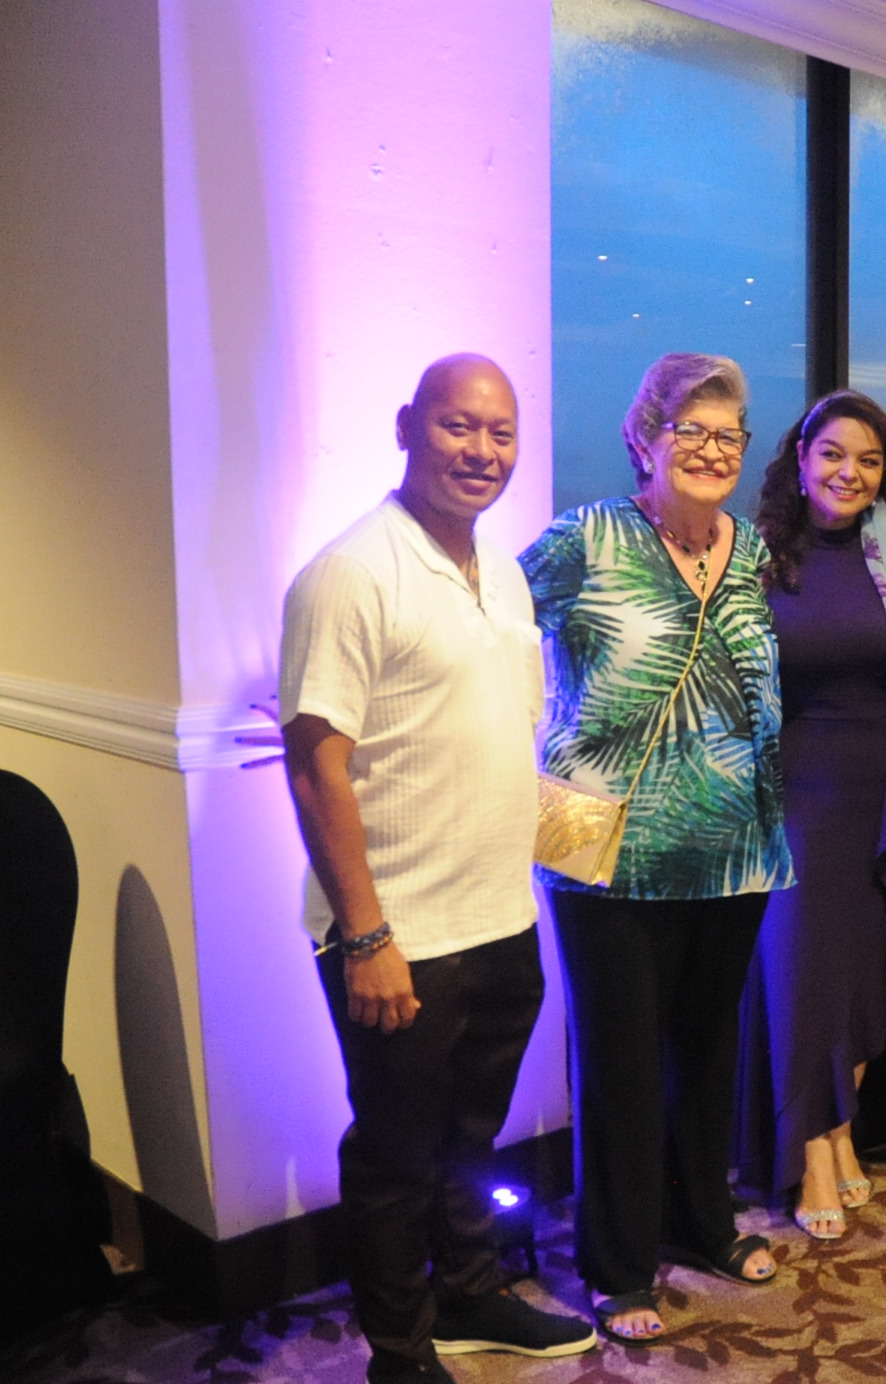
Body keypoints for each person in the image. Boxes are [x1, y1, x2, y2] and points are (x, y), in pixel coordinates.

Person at [281, 355, 597, 1382]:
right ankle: (400, 1351)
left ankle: (469, 1294)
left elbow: (504, 732)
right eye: (460, 427)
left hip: (501, 918)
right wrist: (366, 935)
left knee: (472, 1134)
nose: (482, 451)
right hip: (399, 935)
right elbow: (315, 756)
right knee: (394, 1154)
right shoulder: (351, 572)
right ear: (409, 426)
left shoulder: (500, 570)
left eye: (500, 433)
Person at [521, 352, 791, 1345]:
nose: (714, 449)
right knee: (623, 1059)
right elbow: (490, 635)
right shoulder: (583, 539)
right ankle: (619, 1261)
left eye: (731, 434)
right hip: (606, 848)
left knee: (709, 1044)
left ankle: (701, 1220)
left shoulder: (750, 550)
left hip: (735, 842)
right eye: (694, 430)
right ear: (645, 437)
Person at [735, 390, 886, 1240]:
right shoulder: (758, 556)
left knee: (864, 969)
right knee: (803, 972)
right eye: (831, 454)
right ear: (799, 459)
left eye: (867, 459)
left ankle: (845, 1128)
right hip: (794, 791)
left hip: (883, 783)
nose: (848, 472)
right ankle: (809, 1149)